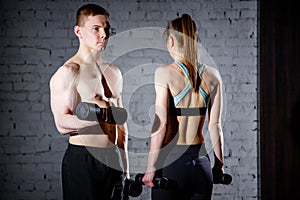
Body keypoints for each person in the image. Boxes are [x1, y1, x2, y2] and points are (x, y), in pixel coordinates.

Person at [49, 4, 129, 200]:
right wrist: (99, 119)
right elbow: (61, 124)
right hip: (84, 158)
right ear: (79, 31)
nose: (104, 34)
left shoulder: (114, 72)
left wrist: (126, 168)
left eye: (106, 28)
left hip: (113, 158)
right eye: (96, 29)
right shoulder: (69, 72)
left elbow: (121, 126)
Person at [142, 14, 225, 200]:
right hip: (202, 164)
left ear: (170, 40)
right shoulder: (213, 76)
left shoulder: (164, 73)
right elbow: (215, 126)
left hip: (172, 164)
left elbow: (160, 124)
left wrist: (150, 169)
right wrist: (219, 166)